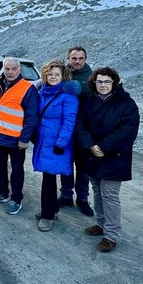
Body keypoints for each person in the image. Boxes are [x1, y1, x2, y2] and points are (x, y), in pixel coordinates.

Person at [75, 67, 140, 253]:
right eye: (99, 82)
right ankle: (101, 224)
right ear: (94, 83)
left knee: (110, 195)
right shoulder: (89, 101)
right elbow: (80, 125)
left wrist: (103, 147)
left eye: (107, 82)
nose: (103, 85)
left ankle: (111, 235)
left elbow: (128, 131)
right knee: (96, 190)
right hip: (92, 154)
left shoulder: (126, 104)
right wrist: (91, 145)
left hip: (114, 156)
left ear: (115, 83)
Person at [31, 60, 80, 231]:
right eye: (50, 74)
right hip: (44, 140)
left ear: (63, 76)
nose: (53, 77)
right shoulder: (42, 92)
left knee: (49, 179)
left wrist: (61, 143)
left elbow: (69, 122)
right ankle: (53, 208)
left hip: (57, 143)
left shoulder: (68, 97)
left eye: (57, 74)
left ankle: (47, 216)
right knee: (48, 176)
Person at [0, 57, 39, 215]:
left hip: (17, 139)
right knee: (0, 167)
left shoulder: (27, 88)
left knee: (17, 170)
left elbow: (32, 117)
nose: (10, 72)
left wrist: (25, 139)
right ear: (3, 69)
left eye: (13, 69)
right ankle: (2, 192)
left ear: (19, 70)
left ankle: (16, 199)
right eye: (7, 69)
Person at [59, 46, 95, 216]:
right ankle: (66, 194)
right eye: (74, 58)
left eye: (81, 58)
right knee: (66, 163)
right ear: (68, 58)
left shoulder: (92, 77)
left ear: (85, 59)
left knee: (83, 166)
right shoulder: (62, 74)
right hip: (65, 128)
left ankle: (82, 199)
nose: (77, 61)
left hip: (84, 129)